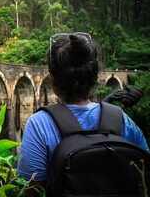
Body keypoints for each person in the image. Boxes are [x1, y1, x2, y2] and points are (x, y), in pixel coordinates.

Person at [16, 32, 149, 196]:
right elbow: (145, 173)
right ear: (95, 77)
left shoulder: (39, 124)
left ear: (52, 79)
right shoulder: (122, 120)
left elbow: (31, 190)